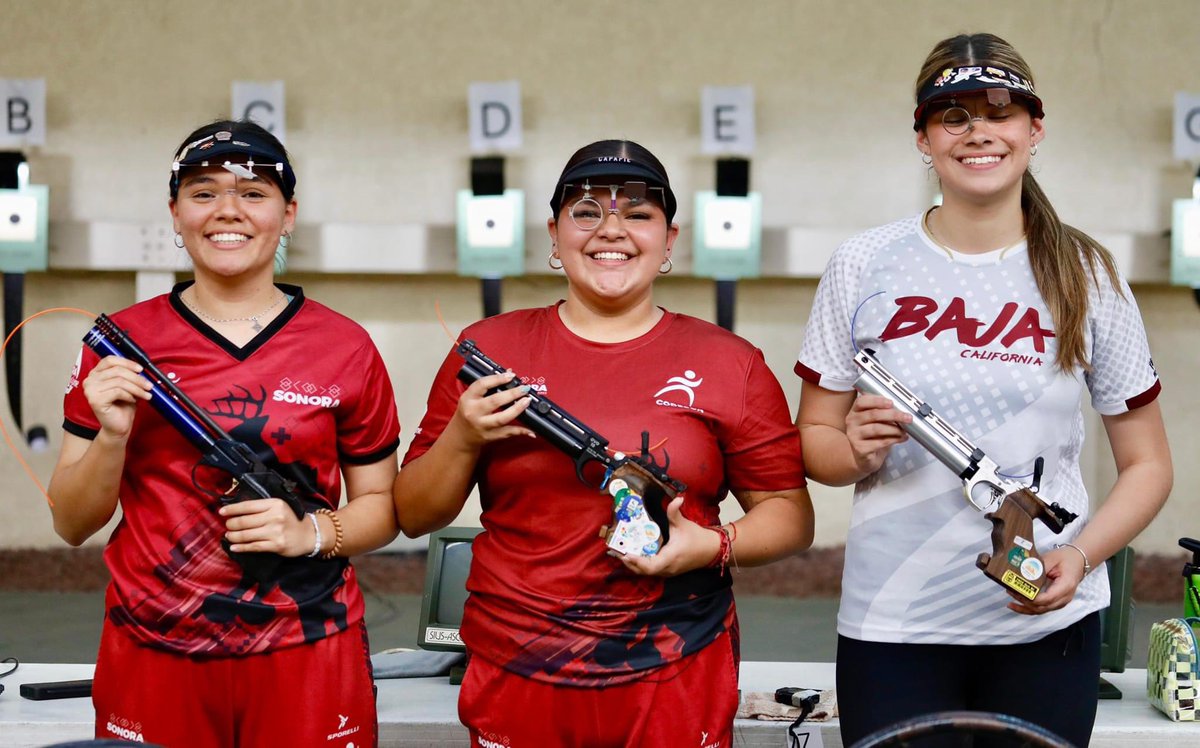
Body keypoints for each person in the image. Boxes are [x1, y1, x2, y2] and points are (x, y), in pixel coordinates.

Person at [794, 33, 1173, 746]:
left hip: (1046, 625)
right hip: (895, 623)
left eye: (1000, 113)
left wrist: (1080, 557)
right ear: (923, 138)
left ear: (1035, 129)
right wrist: (853, 452)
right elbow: (814, 440)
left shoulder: (1088, 273)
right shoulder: (863, 262)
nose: (978, 133)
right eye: (954, 117)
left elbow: (1149, 465)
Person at [395, 139, 814, 747]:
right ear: (554, 234)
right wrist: (462, 436)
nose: (610, 229)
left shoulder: (730, 362)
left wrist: (714, 545)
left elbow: (788, 515)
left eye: (638, 214)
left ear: (669, 240)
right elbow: (413, 515)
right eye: (586, 212)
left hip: (674, 659)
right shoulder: (491, 349)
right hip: (519, 659)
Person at [47, 120, 401, 747]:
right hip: (156, 646)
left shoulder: (345, 346)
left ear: (288, 216)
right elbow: (71, 523)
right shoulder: (121, 345)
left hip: (306, 646)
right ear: (175, 214)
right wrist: (111, 438)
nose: (227, 211)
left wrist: (311, 533)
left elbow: (383, 507)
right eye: (204, 192)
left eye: (254, 193)